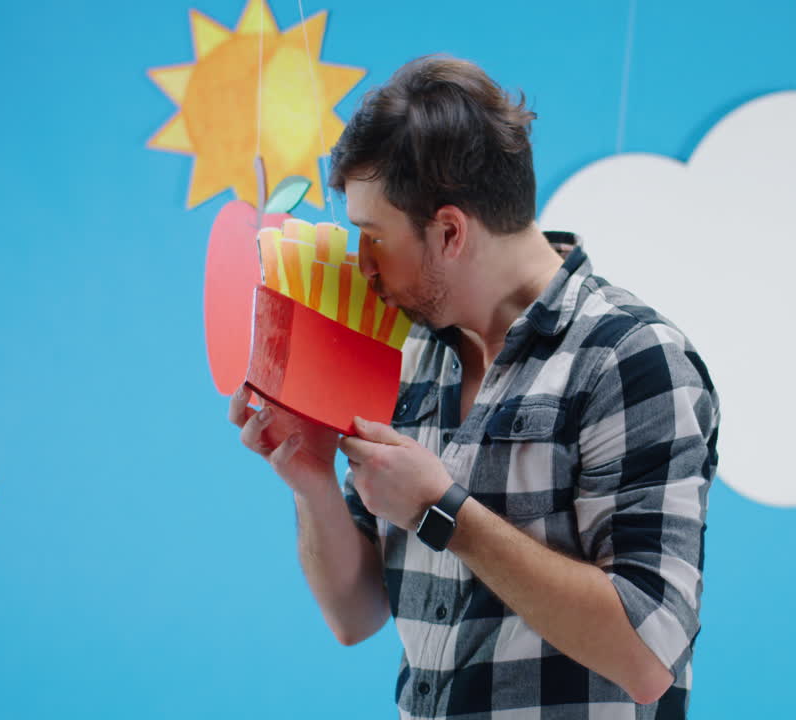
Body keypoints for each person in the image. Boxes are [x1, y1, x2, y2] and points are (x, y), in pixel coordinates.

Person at [227, 55, 719, 719]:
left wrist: (443, 511)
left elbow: (648, 657)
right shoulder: (406, 352)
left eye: (373, 237)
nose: (361, 265)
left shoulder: (630, 359)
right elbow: (354, 615)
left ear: (451, 231)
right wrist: (311, 476)